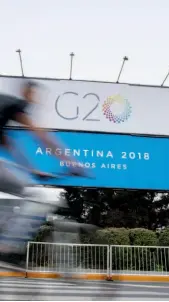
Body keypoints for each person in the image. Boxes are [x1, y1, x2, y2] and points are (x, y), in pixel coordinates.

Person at [0, 80, 84, 270]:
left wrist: (32, 170)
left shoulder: (3, 109)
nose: (35, 102)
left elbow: (11, 148)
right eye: (34, 96)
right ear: (26, 92)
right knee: (38, 196)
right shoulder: (15, 105)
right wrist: (71, 162)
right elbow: (43, 137)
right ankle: (7, 249)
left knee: (17, 194)